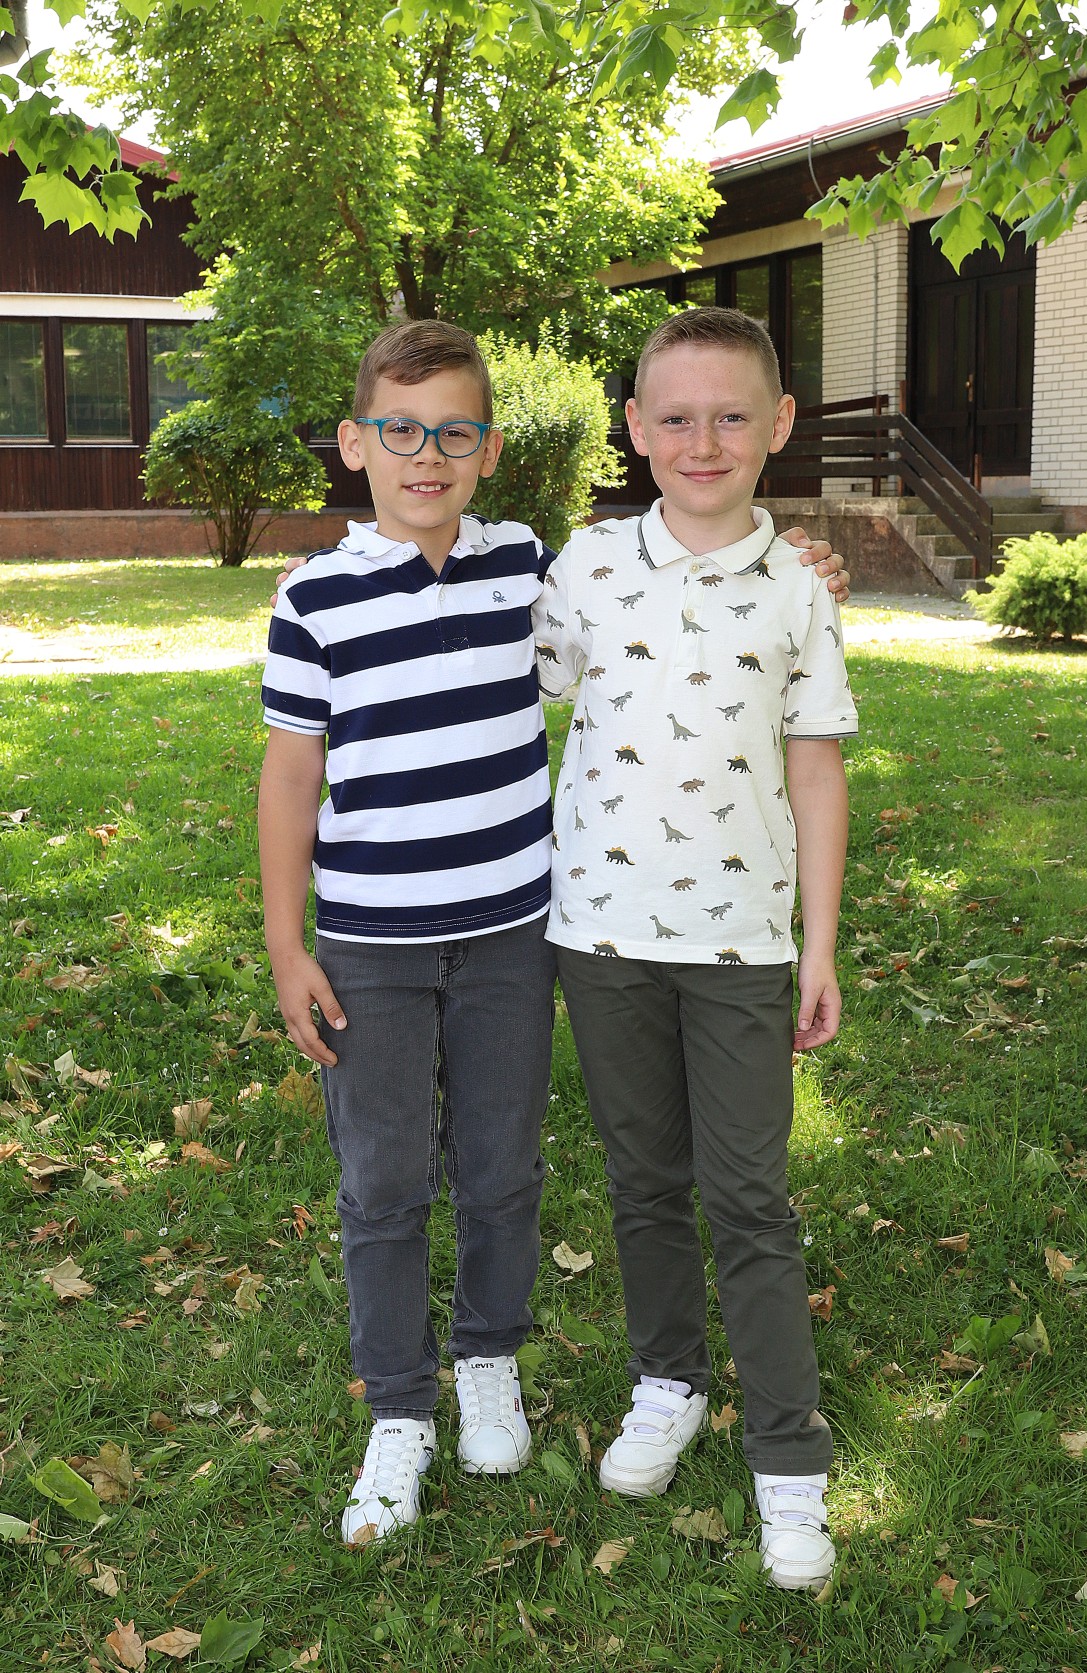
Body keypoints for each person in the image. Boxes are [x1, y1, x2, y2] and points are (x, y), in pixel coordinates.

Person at [261, 318, 850, 1547]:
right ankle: (439, 1402)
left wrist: (798, 565)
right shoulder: (393, 588)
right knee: (420, 1178)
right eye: (400, 431)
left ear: (488, 449)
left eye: (454, 433)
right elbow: (310, 761)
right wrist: (286, 936)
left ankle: (539, 1374)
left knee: (561, 1173)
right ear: (355, 442)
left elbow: (740, 673)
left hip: (569, 936)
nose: (427, 455)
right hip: (458, 937)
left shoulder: (544, 563)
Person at [537, 306, 857, 1594]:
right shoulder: (586, 565)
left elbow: (815, 768)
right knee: (642, 1181)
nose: (702, 440)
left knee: (748, 1198)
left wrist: (817, 946)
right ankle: (666, 1379)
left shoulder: (798, 586)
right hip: (597, 933)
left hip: (741, 948)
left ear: (778, 423)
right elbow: (512, 680)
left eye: (730, 415)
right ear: (634, 428)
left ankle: (787, 1454)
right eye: (674, 416)